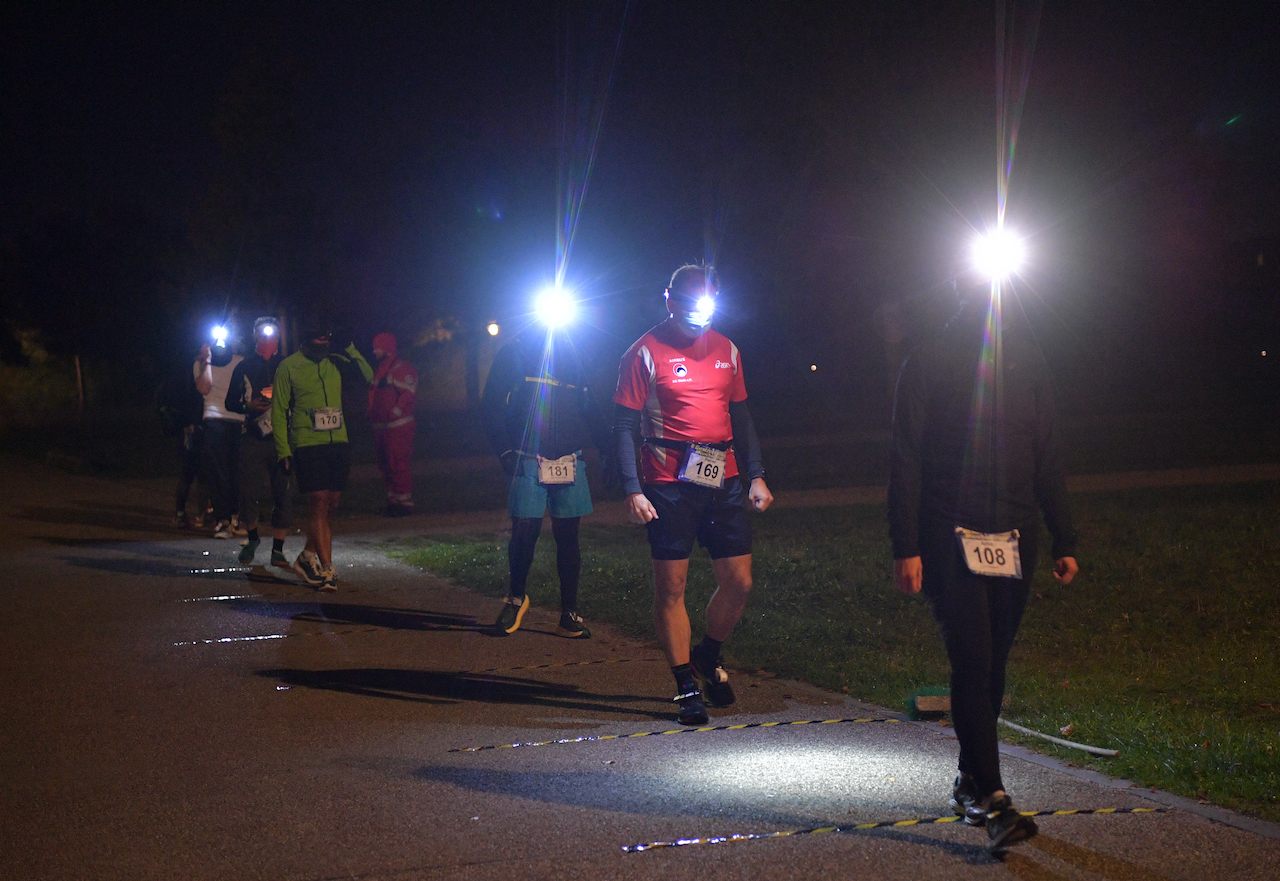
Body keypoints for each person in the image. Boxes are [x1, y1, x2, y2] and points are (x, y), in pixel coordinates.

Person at [887, 278, 1078, 852]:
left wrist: (1065, 534)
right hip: (951, 535)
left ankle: (971, 781)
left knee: (992, 663)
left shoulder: (1029, 363)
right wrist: (906, 545)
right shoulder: (929, 362)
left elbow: (1047, 451)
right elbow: (907, 457)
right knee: (971, 657)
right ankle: (994, 799)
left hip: (1016, 537)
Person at [612, 264, 773, 725]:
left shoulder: (727, 349)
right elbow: (623, 425)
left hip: (723, 478)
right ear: (669, 300)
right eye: (689, 303)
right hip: (668, 483)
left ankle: (708, 654)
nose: (699, 314)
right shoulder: (643, 352)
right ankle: (685, 685)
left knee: (739, 581)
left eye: (707, 304)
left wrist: (757, 474)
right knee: (673, 586)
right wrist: (631, 489)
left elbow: (740, 416)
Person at [481, 321, 611, 639]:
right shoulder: (514, 353)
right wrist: (505, 453)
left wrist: (609, 451)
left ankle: (568, 613)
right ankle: (515, 599)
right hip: (527, 458)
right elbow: (491, 406)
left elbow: (591, 407)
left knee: (568, 538)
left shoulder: (573, 356)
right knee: (524, 532)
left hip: (569, 460)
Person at [272, 324, 374, 589]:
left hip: (337, 441)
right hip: (307, 442)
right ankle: (327, 568)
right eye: (318, 334)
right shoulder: (289, 366)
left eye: (327, 335)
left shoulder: (336, 361)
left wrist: (349, 345)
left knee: (332, 503)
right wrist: (283, 450)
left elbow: (368, 376)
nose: (323, 339)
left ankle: (307, 556)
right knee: (317, 500)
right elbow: (279, 410)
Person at [226, 317, 291, 567]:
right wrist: (248, 405)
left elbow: (296, 398)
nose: (268, 340)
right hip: (253, 437)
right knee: (249, 491)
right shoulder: (244, 366)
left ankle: (278, 549)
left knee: (283, 492)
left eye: (272, 335)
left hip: (281, 438)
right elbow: (230, 403)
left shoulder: (285, 365)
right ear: (255, 337)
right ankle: (252, 538)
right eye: (263, 335)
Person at [194, 330, 244, 538]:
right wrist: (207, 361)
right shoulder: (202, 363)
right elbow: (204, 388)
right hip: (214, 419)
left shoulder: (240, 361)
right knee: (217, 471)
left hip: (237, 421)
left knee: (236, 471)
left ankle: (235, 517)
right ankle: (222, 520)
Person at [366, 332, 419, 517]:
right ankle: (394, 501)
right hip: (384, 427)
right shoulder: (382, 369)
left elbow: (408, 394)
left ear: (387, 348)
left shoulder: (400, 369)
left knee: (398, 463)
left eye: (377, 347)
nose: (374, 351)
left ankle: (404, 503)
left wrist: (394, 412)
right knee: (386, 465)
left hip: (398, 427)